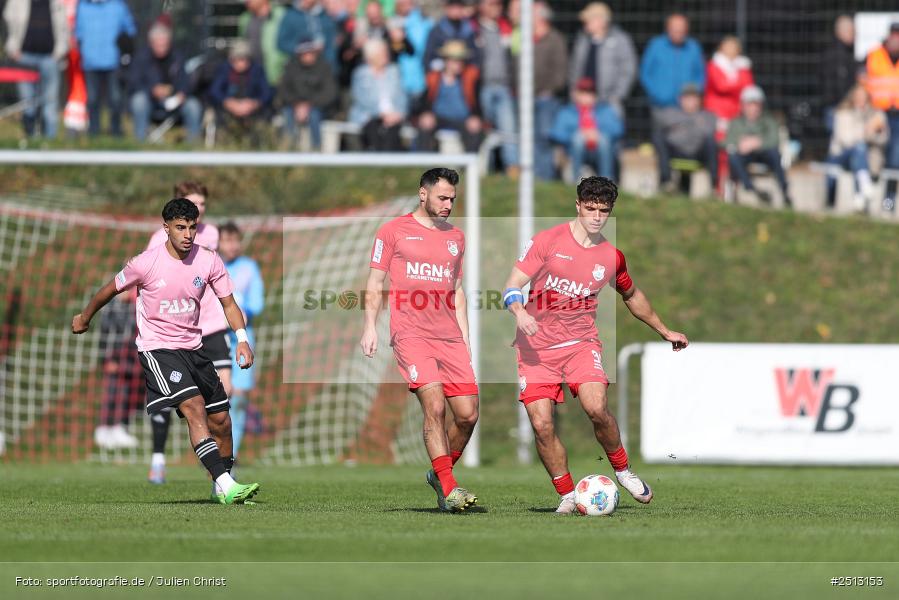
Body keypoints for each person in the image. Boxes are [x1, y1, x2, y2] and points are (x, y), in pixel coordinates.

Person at [501, 175, 688, 513]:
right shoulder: (546, 241)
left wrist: (664, 330)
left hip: (580, 344)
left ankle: (623, 471)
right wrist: (519, 312)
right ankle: (567, 495)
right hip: (536, 349)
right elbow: (512, 285)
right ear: (578, 206)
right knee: (542, 425)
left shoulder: (611, 257)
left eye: (603, 210)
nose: (597, 216)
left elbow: (631, 295)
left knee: (596, 408)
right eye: (590, 208)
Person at [72, 198, 260, 505]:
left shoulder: (209, 260)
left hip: (194, 348)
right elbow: (110, 289)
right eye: (180, 228)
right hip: (158, 349)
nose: (187, 234)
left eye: (192, 228)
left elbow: (228, 302)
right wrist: (84, 317)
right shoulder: (145, 263)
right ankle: (227, 483)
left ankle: (221, 486)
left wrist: (241, 338)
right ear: (166, 228)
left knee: (222, 421)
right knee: (194, 408)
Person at [360, 168, 479, 513]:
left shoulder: (456, 237)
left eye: (452, 199)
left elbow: (456, 290)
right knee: (436, 407)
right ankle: (450, 488)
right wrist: (370, 325)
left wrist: (466, 338)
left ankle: (438, 475)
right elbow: (375, 282)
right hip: (411, 333)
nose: (448, 204)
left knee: (468, 415)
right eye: (442, 198)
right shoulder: (392, 231)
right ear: (422, 194)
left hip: (450, 336)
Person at [145, 181, 232, 485]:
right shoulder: (159, 239)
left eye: (203, 204)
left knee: (222, 401)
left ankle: (215, 461)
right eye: (194, 203)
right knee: (185, 403)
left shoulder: (211, 234)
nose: (189, 232)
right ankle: (163, 457)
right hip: (171, 333)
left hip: (211, 325)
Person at [218, 222, 264, 464]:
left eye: (235, 240)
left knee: (239, 398)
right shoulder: (212, 265)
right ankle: (215, 452)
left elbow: (257, 303)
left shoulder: (249, 268)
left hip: (243, 337)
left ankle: (230, 458)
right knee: (220, 396)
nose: (231, 245)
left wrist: (242, 308)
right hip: (216, 337)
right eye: (226, 240)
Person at [128, 18, 202, 143]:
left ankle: (192, 146)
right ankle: (140, 143)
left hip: (175, 102)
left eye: (165, 45)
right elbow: (134, 83)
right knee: (138, 101)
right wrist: (152, 91)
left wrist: (182, 93)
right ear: (151, 43)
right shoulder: (141, 58)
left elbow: (186, 81)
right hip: (151, 102)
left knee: (193, 105)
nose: (162, 48)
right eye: (159, 45)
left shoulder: (177, 57)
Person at [3, 0, 69, 139]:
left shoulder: (57, 3)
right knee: (27, 103)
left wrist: (59, 52)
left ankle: (50, 142)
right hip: (24, 58)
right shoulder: (17, 2)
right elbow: (7, 21)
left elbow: (64, 28)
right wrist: (12, 49)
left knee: (50, 103)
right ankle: (30, 139)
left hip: (50, 58)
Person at [74, 0, 136, 137]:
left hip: (113, 61)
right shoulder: (83, 6)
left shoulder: (118, 6)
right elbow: (78, 32)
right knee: (92, 99)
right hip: (90, 61)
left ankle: (116, 132)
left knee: (115, 99)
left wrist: (123, 47)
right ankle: (94, 133)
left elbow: (130, 30)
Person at [725, 85, 792, 206]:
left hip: (764, 154)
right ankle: (750, 188)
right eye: (749, 104)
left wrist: (757, 142)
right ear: (743, 105)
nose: (753, 108)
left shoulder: (769, 121)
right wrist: (739, 144)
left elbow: (774, 140)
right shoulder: (736, 122)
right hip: (744, 155)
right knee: (733, 157)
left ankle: (785, 191)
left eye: (756, 104)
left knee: (775, 154)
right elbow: (726, 142)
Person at [567, 2, 636, 118]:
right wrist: (574, 92)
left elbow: (628, 70)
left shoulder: (620, 40)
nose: (585, 23)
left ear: (601, 21)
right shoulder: (582, 40)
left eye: (589, 20)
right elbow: (574, 68)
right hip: (582, 101)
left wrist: (616, 96)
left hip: (608, 102)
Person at [473, 0, 518, 175]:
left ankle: (512, 167)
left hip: (503, 86)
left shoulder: (505, 29)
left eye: (498, 5)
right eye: (491, 4)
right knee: (485, 129)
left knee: (508, 129)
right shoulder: (475, 30)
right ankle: (485, 168)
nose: (496, 8)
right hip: (483, 86)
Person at [415, 40, 483, 154]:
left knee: (474, 128)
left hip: (463, 120)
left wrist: (475, 116)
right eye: (455, 60)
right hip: (438, 118)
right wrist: (426, 113)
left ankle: (470, 167)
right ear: (446, 61)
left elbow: (477, 102)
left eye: (461, 60)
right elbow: (423, 102)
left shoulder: (470, 77)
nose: (459, 64)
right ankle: (424, 165)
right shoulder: (434, 78)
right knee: (425, 125)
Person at [549, 77, 623, 181]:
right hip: (574, 151)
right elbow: (557, 133)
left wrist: (597, 134)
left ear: (595, 96)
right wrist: (580, 134)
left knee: (604, 139)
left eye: (589, 93)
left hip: (600, 149)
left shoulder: (605, 110)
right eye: (582, 92)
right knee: (578, 138)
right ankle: (576, 180)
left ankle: (606, 181)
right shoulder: (567, 111)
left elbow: (618, 129)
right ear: (575, 94)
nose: (586, 96)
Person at [826, 85, 887, 211]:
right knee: (859, 149)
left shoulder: (875, 114)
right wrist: (867, 130)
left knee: (860, 154)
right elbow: (844, 140)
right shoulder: (843, 112)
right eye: (858, 97)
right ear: (852, 98)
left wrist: (875, 130)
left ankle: (860, 195)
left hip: (869, 158)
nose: (860, 100)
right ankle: (863, 188)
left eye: (863, 97)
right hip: (842, 155)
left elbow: (884, 138)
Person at [94, 290, 140, 451]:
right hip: (114, 357)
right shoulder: (112, 308)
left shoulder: (135, 307)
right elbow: (104, 335)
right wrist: (107, 359)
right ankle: (103, 429)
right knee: (111, 394)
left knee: (127, 395)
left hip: (130, 358)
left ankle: (119, 429)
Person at [653, 84, 718, 193]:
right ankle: (666, 182)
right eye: (687, 98)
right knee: (658, 137)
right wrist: (691, 124)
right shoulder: (671, 113)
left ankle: (713, 187)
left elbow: (707, 132)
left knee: (711, 142)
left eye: (694, 97)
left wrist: (680, 126)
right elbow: (661, 123)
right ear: (680, 99)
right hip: (676, 151)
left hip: (697, 154)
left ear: (700, 100)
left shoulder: (708, 116)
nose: (691, 101)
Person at [209, 40, 274, 145]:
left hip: (252, 110)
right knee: (221, 117)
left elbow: (266, 93)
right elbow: (214, 91)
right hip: (228, 110)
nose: (240, 63)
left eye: (243, 59)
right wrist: (228, 102)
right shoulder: (224, 70)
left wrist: (254, 104)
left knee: (263, 119)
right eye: (237, 59)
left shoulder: (257, 70)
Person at [348, 38, 408, 152]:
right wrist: (381, 114)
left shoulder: (394, 71)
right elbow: (361, 99)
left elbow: (402, 96)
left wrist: (398, 114)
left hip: (393, 115)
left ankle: (389, 162)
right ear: (371, 56)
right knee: (373, 127)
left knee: (393, 130)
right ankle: (376, 159)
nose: (386, 55)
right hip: (369, 115)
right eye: (382, 53)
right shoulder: (360, 74)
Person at [864, 23, 899, 212]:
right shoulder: (874, 55)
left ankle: (888, 202)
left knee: (895, 158)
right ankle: (867, 198)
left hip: (898, 116)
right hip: (877, 114)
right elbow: (863, 83)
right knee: (873, 156)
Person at [530, 2, 567, 181]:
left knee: (544, 138)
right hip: (525, 98)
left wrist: (548, 90)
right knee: (528, 138)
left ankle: (544, 177)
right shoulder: (523, 37)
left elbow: (560, 72)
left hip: (546, 99)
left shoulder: (555, 39)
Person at [640, 12, 705, 113]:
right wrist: (657, 94)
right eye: (675, 28)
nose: (678, 31)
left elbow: (700, 74)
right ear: (668, 28)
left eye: (681, 28)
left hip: (687, 107)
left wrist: (694, 96)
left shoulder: (693, 47)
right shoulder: (656, 45)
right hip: (661, 105)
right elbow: (646, 73)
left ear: (686, 29)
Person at [279, 39, 337, 150]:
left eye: (310, 52)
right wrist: (296, 104)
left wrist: (309, 104)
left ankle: (316, 149)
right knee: (287, 114)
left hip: (317, 106)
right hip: (294, 106)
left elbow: (330, 93)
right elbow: (284, 90)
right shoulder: (291, 67)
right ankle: (288, 149)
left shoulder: (324, 67)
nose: (308, 56)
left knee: (314, 115)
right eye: (305, 53)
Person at [704, 35, 754, 143]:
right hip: (717, 111)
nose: (731, 50)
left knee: (736, 140)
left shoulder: (743, 67)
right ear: (721, 48)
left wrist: (732, 83)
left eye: (734, 47)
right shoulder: (713, 66)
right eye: (728, 46)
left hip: (737, 110)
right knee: (719, 140)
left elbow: (749, 88)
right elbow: (721, 86)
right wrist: (738, 84)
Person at [821, 15, 860, 132]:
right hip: (839, 108)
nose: (855, 34)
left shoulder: (846, 52)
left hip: (843, 107)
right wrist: (844, 103)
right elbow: (835, 84)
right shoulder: (837, 55)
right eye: (852, 31)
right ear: (841, 32)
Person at [278, 0, 338, 73]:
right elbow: (281, 42)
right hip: (299, 70)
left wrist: (332, 67)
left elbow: (331, 44)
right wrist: (303, 49)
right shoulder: (290, 16)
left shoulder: (325, 16)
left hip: (323, 69)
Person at [239, 0, 289, 87]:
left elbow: (292, 43)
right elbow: (243, 45)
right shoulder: (245, 18)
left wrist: (285, 70)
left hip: (278, 74)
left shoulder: (282, 14)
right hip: (253, 76)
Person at [393, 0, 432, 106]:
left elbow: (417, 51)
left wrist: (403, 38)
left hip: (416, 79)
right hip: (397, 79)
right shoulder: (394, 21)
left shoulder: (423, 22)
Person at [423, 0, 478, 73]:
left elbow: (474, 54)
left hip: (463, 73)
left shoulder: (468, 29)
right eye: (453, 7)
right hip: (443, 75)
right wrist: (445, 64)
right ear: (446, 8)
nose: (456, 10)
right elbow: (429, 56)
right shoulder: (437, 30)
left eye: (458, 7)